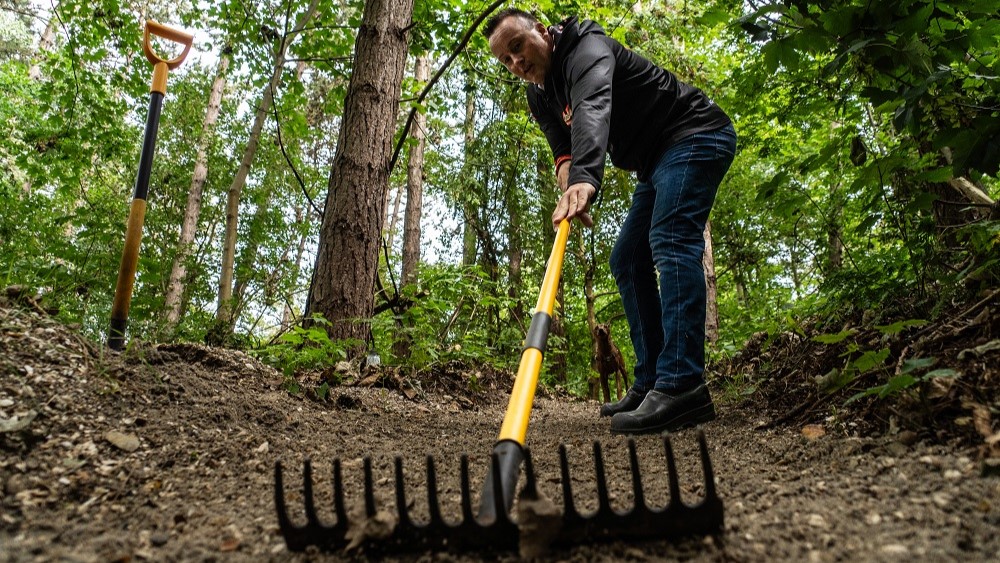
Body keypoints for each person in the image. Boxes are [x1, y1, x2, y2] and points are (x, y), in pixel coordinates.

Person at [485, 8, 736, 434]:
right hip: (654, 161)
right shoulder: (539, 95)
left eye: (517, 46)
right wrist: (570, 185)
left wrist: (586, 178)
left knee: (671, 239)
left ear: (541, 32)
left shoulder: (586, 46)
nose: (516, 63)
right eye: (506, 61)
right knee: (626, 259)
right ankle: (653, 380)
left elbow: (593, 105)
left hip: (694, 133)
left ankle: (683, 386)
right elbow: (561, 151)